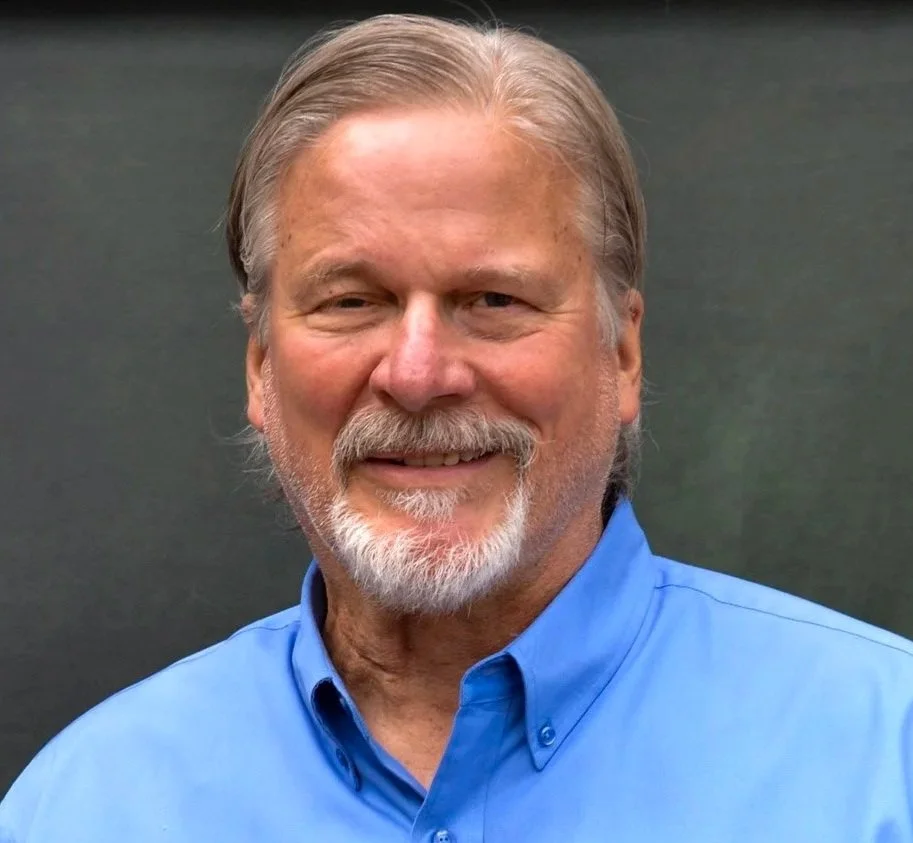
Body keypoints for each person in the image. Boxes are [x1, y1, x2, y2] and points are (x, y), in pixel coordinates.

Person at [2, 12, 912, 842]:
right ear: (259, 368)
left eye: (493, 299)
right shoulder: (87, 804)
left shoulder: (882, 756)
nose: (418, 373)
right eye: (352, 300)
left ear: (622, 353)